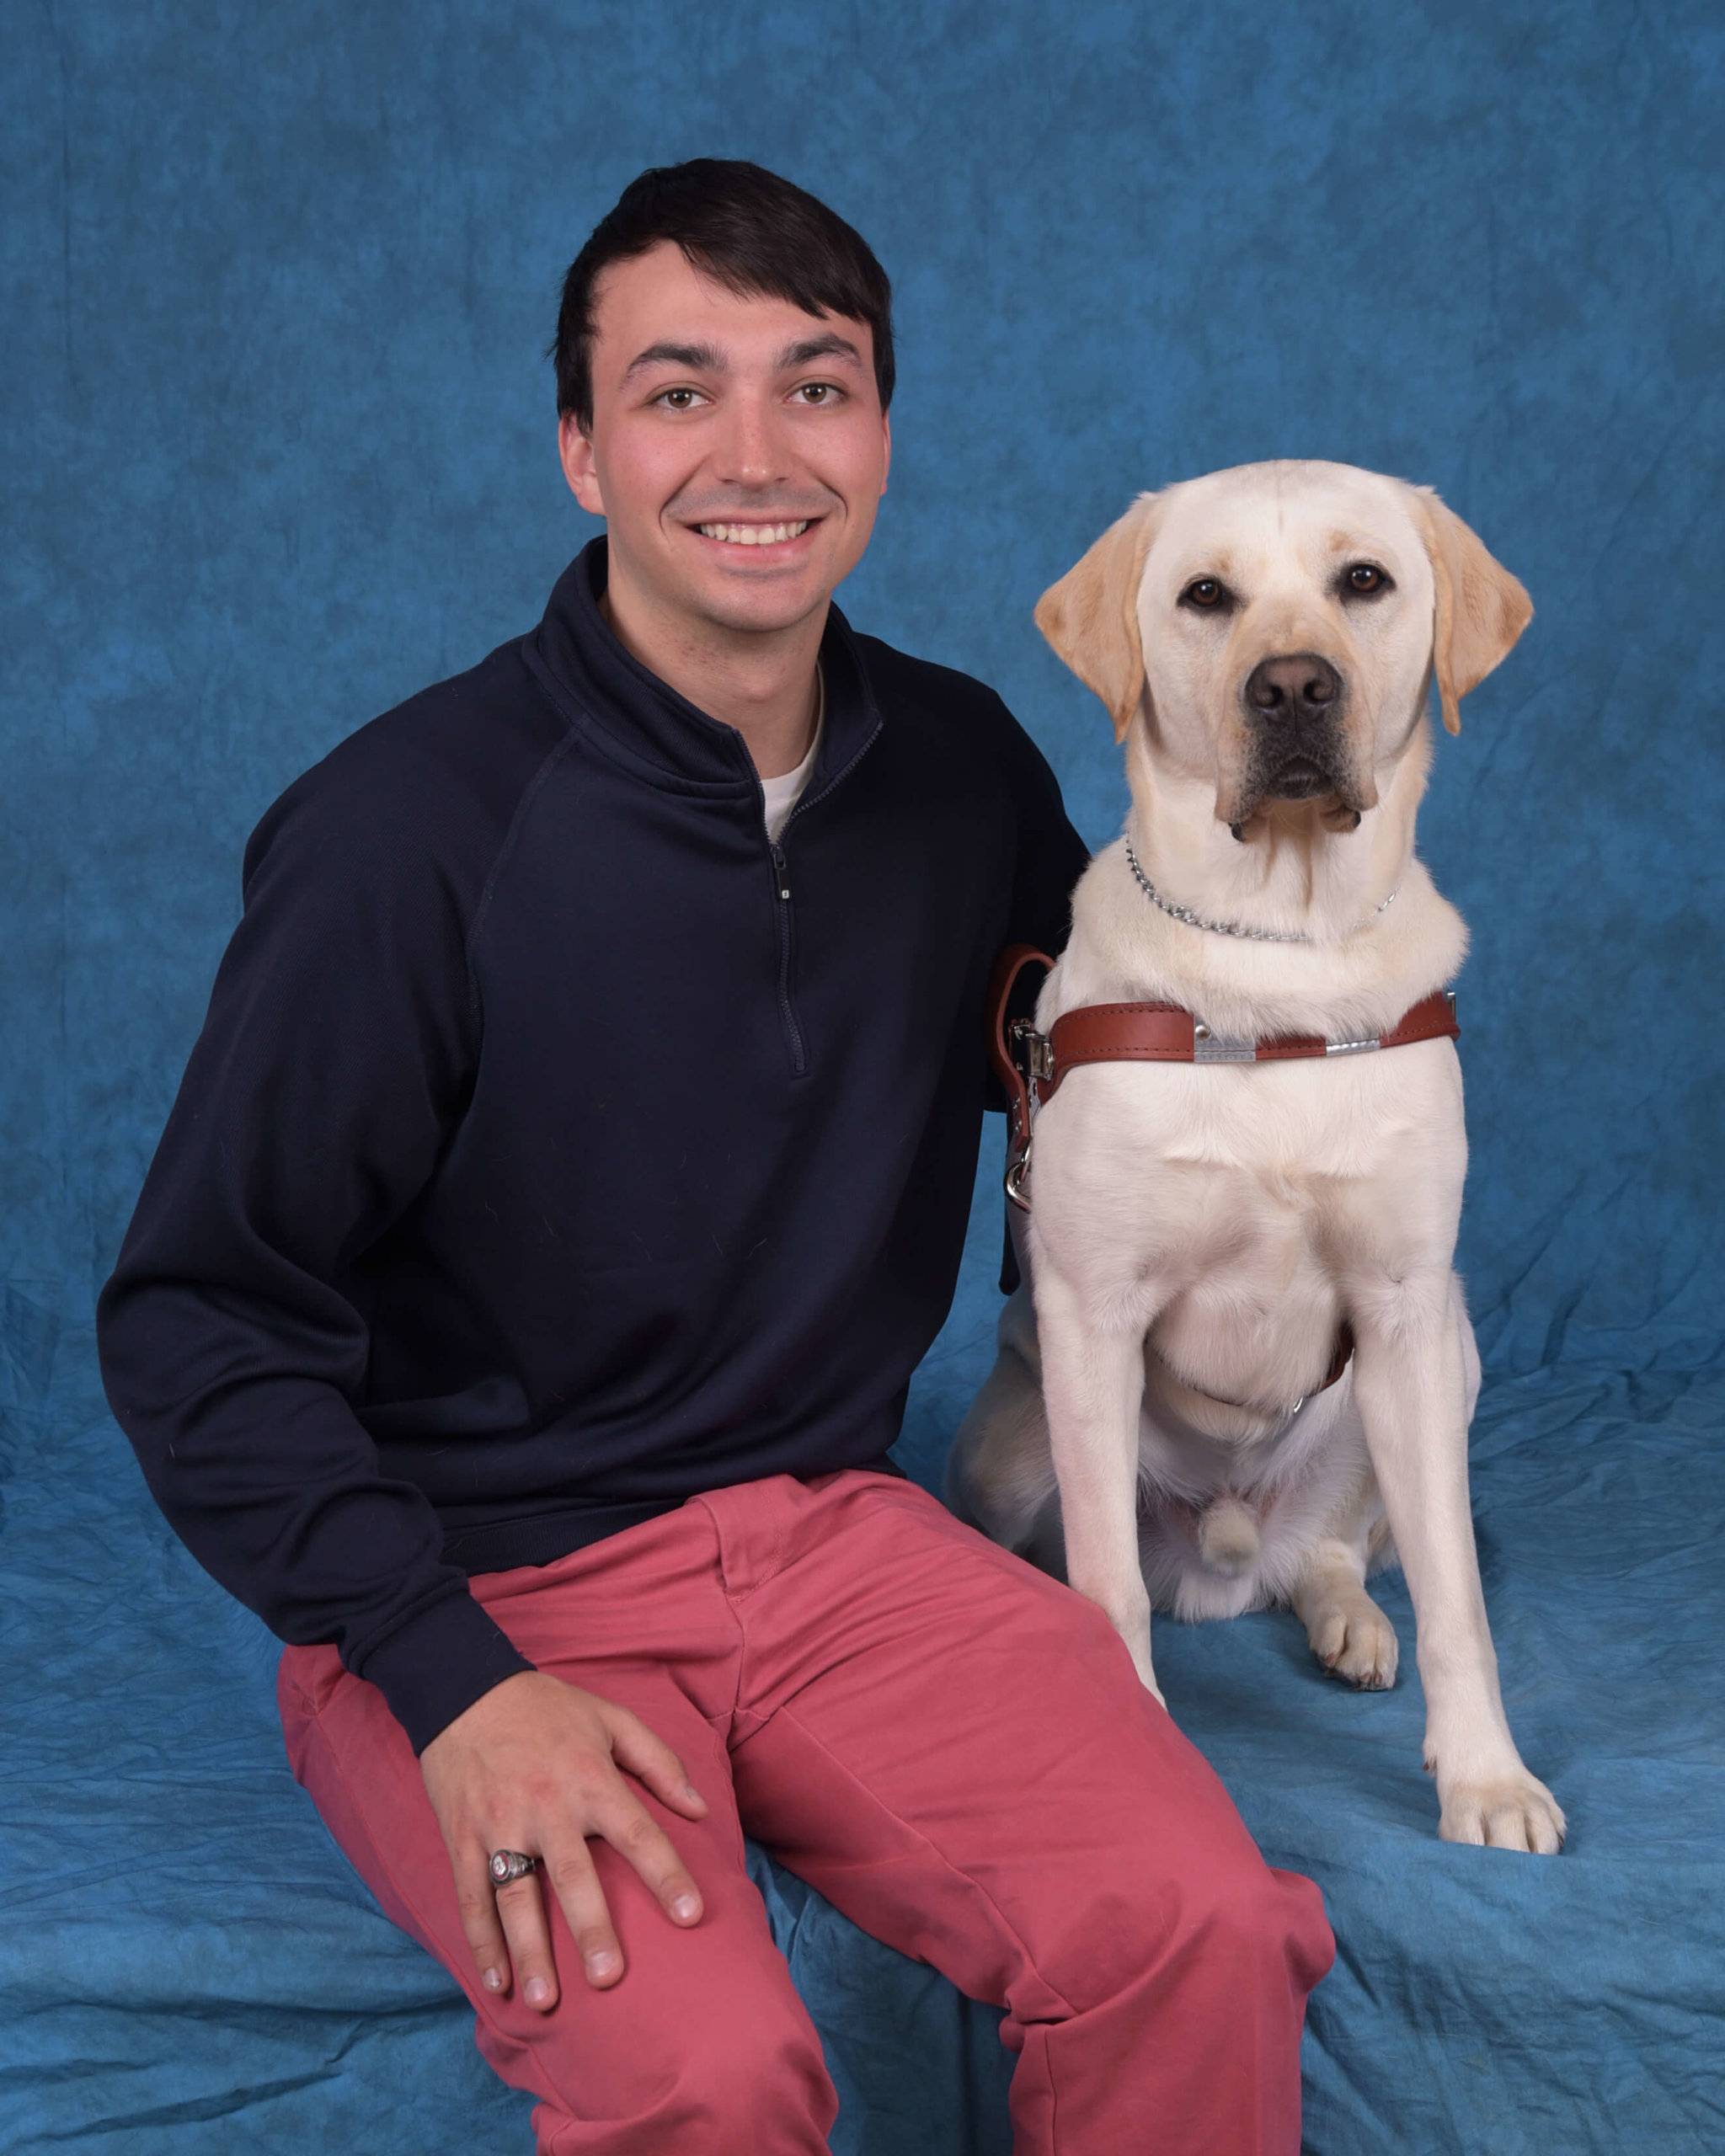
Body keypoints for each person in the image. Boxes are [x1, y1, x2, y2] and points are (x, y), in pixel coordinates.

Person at [98, 159, 1332, 2153]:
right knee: (707, 2070)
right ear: (582, 450)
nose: (755, 453)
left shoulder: (960, 771)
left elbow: (1101, 1086)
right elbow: (196, 1321)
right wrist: (440, 1673)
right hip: (485, 1587)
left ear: (881, 434)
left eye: (815, 384)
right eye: (679, 391)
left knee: (1194, 1919)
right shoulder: (401, 835)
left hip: (839, 1539)